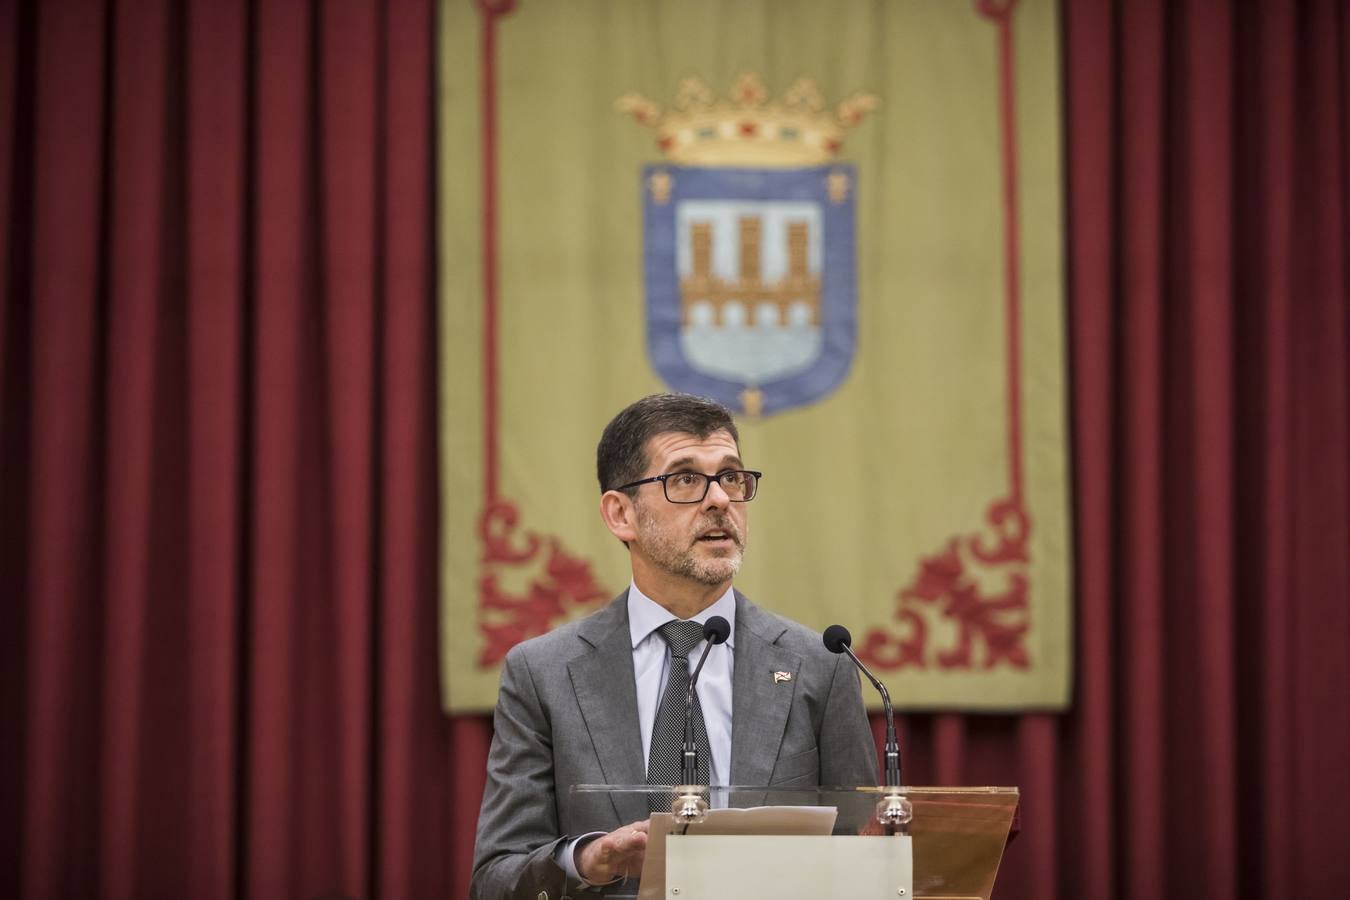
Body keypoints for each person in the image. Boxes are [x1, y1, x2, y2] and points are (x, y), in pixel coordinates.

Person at [470, 393, 878, 899]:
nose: (720, 500)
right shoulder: (543, 673)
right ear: (621, 514)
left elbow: (868, 857)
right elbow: (495, 877)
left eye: (731, 476)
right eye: (685, 479)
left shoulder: (820, 665)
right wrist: (585, 861)